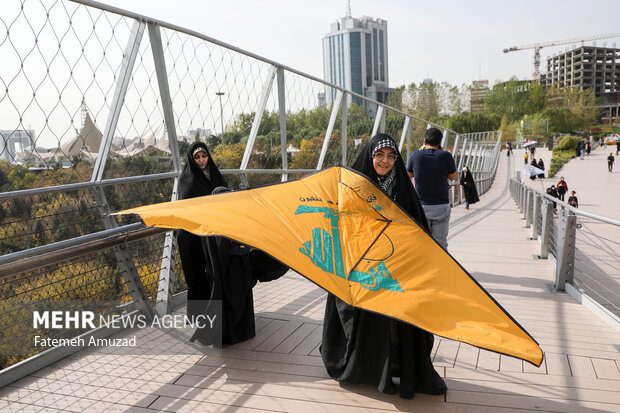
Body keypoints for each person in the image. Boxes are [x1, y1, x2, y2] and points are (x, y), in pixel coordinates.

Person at [321, 133, 447, 400]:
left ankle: (395, 367)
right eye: (379, 155)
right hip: (361, 265)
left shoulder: (402, 186)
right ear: (370, 155)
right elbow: (341, 224)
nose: (385, 161)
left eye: (391, 156)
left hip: (395, 266)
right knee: (365, 318)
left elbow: (418, 227)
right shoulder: (355, 186)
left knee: (397, 320)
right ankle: (368, 368)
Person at [194, 187, 289, 345]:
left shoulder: (224, 217)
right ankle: (236, 332)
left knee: (239, 299)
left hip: (238, 265)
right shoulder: (215, 221)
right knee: (236, 300)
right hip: (232, 267)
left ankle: (237, 332)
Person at [177, 142, 227, 320]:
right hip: (192, 235)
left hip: (213, 232)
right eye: (197, 157)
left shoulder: (215, 175)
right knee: (196, 274)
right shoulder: (186, 180)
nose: (201, 160)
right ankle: (199, 314)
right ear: (191, 159)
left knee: (215, 271)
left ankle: (216, 312)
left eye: (204, 156)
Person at [406, 128, 457, 250]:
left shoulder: (415, 155)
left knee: (422, 241)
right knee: (440, 242)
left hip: (421, 206)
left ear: (424, 141)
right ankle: (441, 266)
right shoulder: (446, 156)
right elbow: (453, 177)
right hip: (441, 206)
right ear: (440, 143)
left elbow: (409, 175)